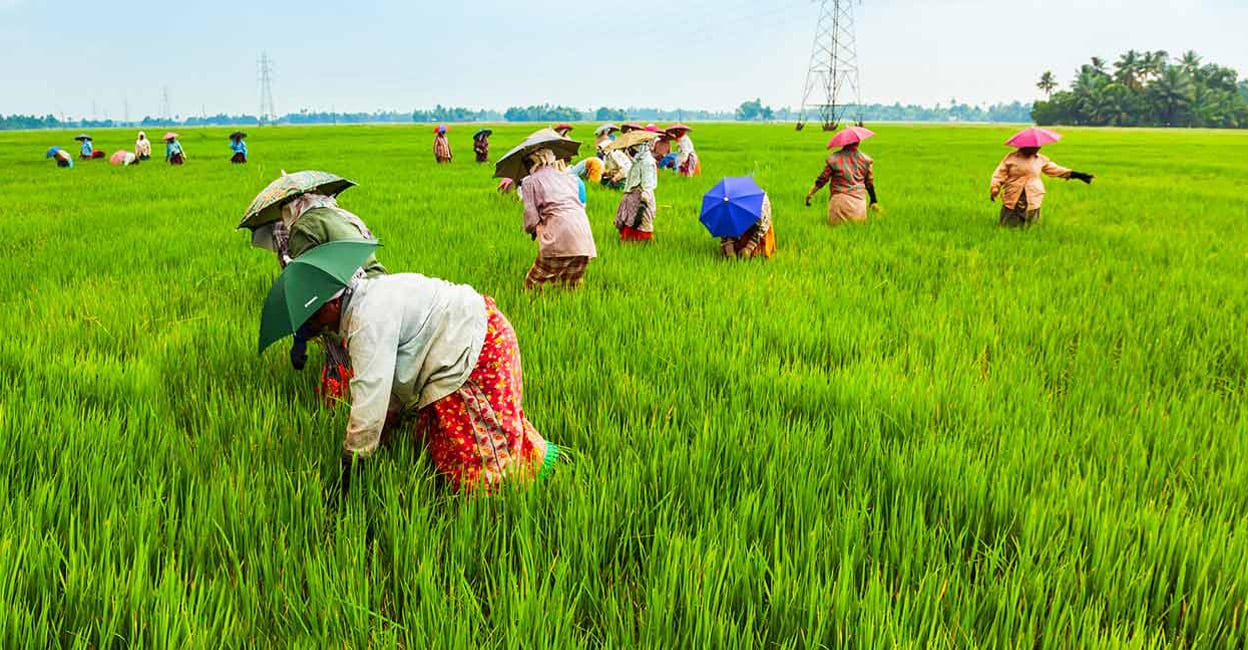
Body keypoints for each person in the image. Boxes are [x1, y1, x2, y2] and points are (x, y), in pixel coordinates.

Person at [295, 270, 560, 493]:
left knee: (482, 459)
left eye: (315, 317)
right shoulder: (369, 297)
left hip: (476, 350)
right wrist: (386, 426)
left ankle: (506, 512)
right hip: (476, 334)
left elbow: (370, 396)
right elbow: (391, 378)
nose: (315, 326)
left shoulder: (367, 320)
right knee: (445, 440)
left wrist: (351, 461)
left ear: (332, 304)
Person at [517, 148, 598, 289]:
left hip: (559, 236)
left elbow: (531, 217)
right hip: (583, 236)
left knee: (533, 284)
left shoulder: (529, 182)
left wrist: (532, 230)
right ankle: (570, 309)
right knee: (570, 286)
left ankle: (535, 308)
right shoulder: (569, 178)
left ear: (531, 162)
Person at [990, 147, 1094, 227]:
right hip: (1013, 193)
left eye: (1038, 147)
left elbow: (1056, 170)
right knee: (1009, 221)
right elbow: (999, 174)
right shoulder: (1011, 158)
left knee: (1031, 222)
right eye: (1034, 147)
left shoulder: (1040, 159)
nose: (1038, 148)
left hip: (1033, 193)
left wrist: (1078, 175)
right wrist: (995, 187)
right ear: (1025, 147)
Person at [805, 140, 879, 226]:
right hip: (858, 206)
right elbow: (869, 183)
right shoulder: (866, 160)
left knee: (835, 232)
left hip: (839, 205)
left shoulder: (834, 158)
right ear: (858, 142)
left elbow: (822, 179)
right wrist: (873, 200)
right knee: (857, 231)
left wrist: (811, 193)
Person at [614, 140, 658, 241]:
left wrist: (643, 203)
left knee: (641, 222)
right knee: (629, 221)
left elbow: (647, 185)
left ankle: (642, 245)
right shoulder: (638, 160)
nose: (632, 150)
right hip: (632, 197)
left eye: (634, 148)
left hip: (641, 197)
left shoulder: (647, 162)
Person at [720, 193, 776, 259]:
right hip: (740, 225)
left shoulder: (760, 207)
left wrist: (748, 248)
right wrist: (729, 250)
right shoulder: (725, 206)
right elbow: (725, 229)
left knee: (758, 254)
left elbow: (761, 229)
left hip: (758, 229)